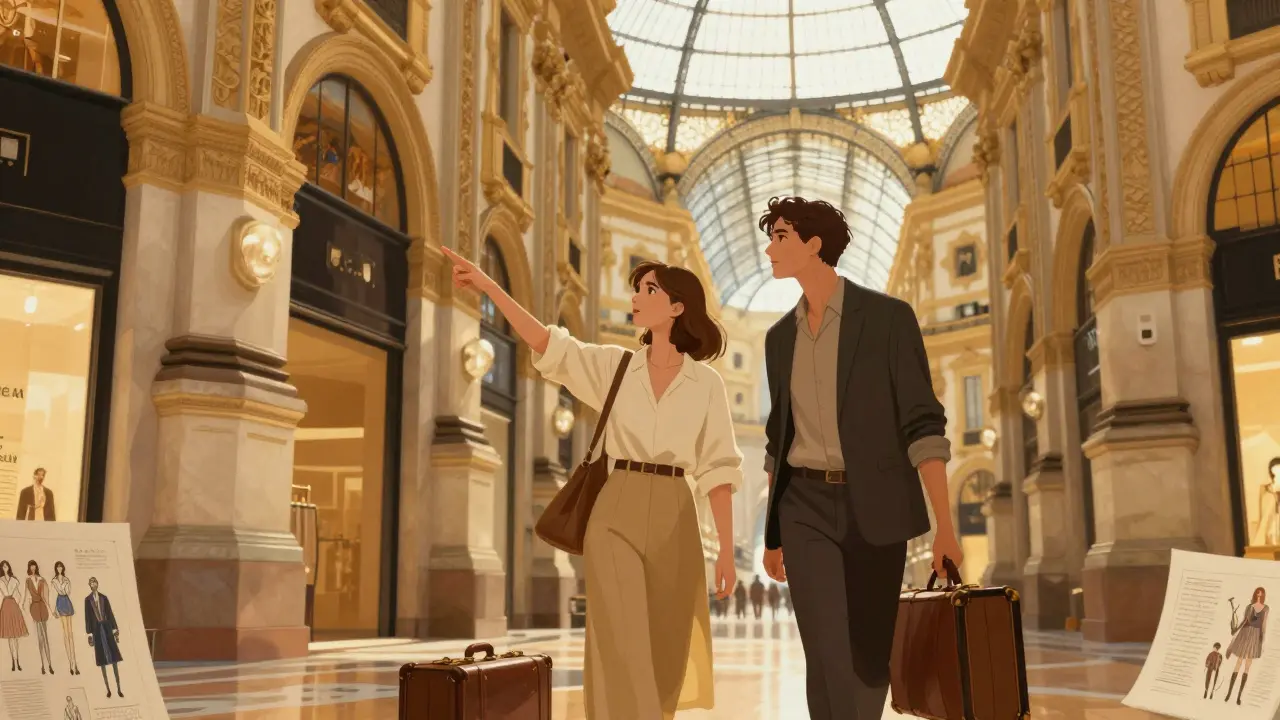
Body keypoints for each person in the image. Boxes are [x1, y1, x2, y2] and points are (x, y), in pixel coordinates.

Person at [441, 247, 743, 719]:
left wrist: (726, 549)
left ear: (678, 307)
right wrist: (488, 286)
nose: (637, 297)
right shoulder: (614, 366)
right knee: (618, 636)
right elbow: (546, 342)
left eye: (650, 290)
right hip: (615, 504)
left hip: (676, 511)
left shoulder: (707, 386)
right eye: (636, 290)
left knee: (667, 644)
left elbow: (719, 468)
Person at [758, 196, 963, 720]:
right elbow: (778, 439)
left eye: (780, 236)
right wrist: (774, 533)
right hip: (803, 505)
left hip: (876, 504)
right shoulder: (779, 339)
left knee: (869, 655)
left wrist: (945, 524)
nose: (769, 248)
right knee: (827, 646)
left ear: (813, 244)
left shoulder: (890, 319)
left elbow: (922, 422)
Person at [1225, 586, 1268, 705]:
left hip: (1255, 636)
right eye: (1257, 594)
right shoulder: (1249, 607)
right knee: (1239, 662)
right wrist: (1236, 629)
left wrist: (1262, 640)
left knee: (1247, 666)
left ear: (1263, 596)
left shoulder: (1266, 608)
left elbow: (1264, 625)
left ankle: (1238, 697)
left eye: (1261, 594)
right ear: (1255, 594)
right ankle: (1229, 693)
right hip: (1245, 633)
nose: (1259, 596)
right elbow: (1244, 620)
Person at [85, 577, 123, 698]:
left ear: (97, 583)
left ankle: (119, 688)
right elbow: (88, 618)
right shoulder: (87, 600)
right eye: (91, 583)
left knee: (114, 659)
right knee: (102, 661)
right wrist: (89, 634)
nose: (93, 584)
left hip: (107, 628)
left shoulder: (104, 598)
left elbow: (110, 612)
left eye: (95, 582)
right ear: (89, 585)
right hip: (96, 631)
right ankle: (108, 689)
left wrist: (115, 628)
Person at [51, 561, 79, 674]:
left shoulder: (67, 579)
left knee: (70, 634)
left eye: (61, 567)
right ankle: (71, 664)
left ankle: (75, 663)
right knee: (65, 634)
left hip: (67, 601)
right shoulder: (53, 580)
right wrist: (54, 610)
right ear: (55, 568)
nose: (59, 568)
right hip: (60, 602)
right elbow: (55, 593)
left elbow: (68, 591)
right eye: (57, 567)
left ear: (63, 568)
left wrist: (65, 584)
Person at [26, 561, 52, 675]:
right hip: (34, 607)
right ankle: (43, 665)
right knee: (40, 638)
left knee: (46, 637)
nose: (33, 567)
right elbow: (27, 596)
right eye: (31, 566)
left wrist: (50, 610)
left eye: (34, 565)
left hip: (42, 606)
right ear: (29, 567)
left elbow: (46, 596)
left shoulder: (42, 579)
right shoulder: (28, 580)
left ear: (36, 567)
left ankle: (50, 664)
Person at [0, 560, 26, 671]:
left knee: (15, 637)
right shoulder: (0, 580)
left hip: (13, 605)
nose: (5, 568)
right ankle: (13, 661)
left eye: (6, 566)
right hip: (5, 606)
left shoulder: (14, 580)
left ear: (9, 567)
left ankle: (17, 661)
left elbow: (18, 594)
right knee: (10, 637)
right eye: (3, 566)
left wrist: (20, 604)